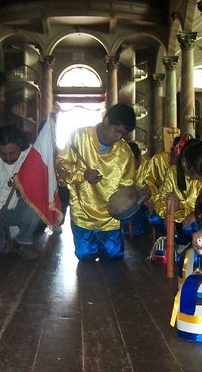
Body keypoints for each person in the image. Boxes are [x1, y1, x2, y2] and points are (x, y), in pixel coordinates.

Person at [56, 103, 140, 262]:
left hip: (110, 217)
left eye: (123, 134)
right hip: (82, 213)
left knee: (114, 256)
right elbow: (61, 164)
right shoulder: (78, 137)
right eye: (117, 131)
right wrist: (82, 175)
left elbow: (126, 185)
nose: (118, 137)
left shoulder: (125, 152)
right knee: (85, 256)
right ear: (106, 120)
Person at [0, 124, 41, 260]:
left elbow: (37, 187)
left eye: (12, 153)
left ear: (21, 147)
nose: (8, 158)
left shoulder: (30, 153)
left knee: (36, 206)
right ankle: (4, 241)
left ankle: (22, 243)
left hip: (17, 207)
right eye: (3, 154)